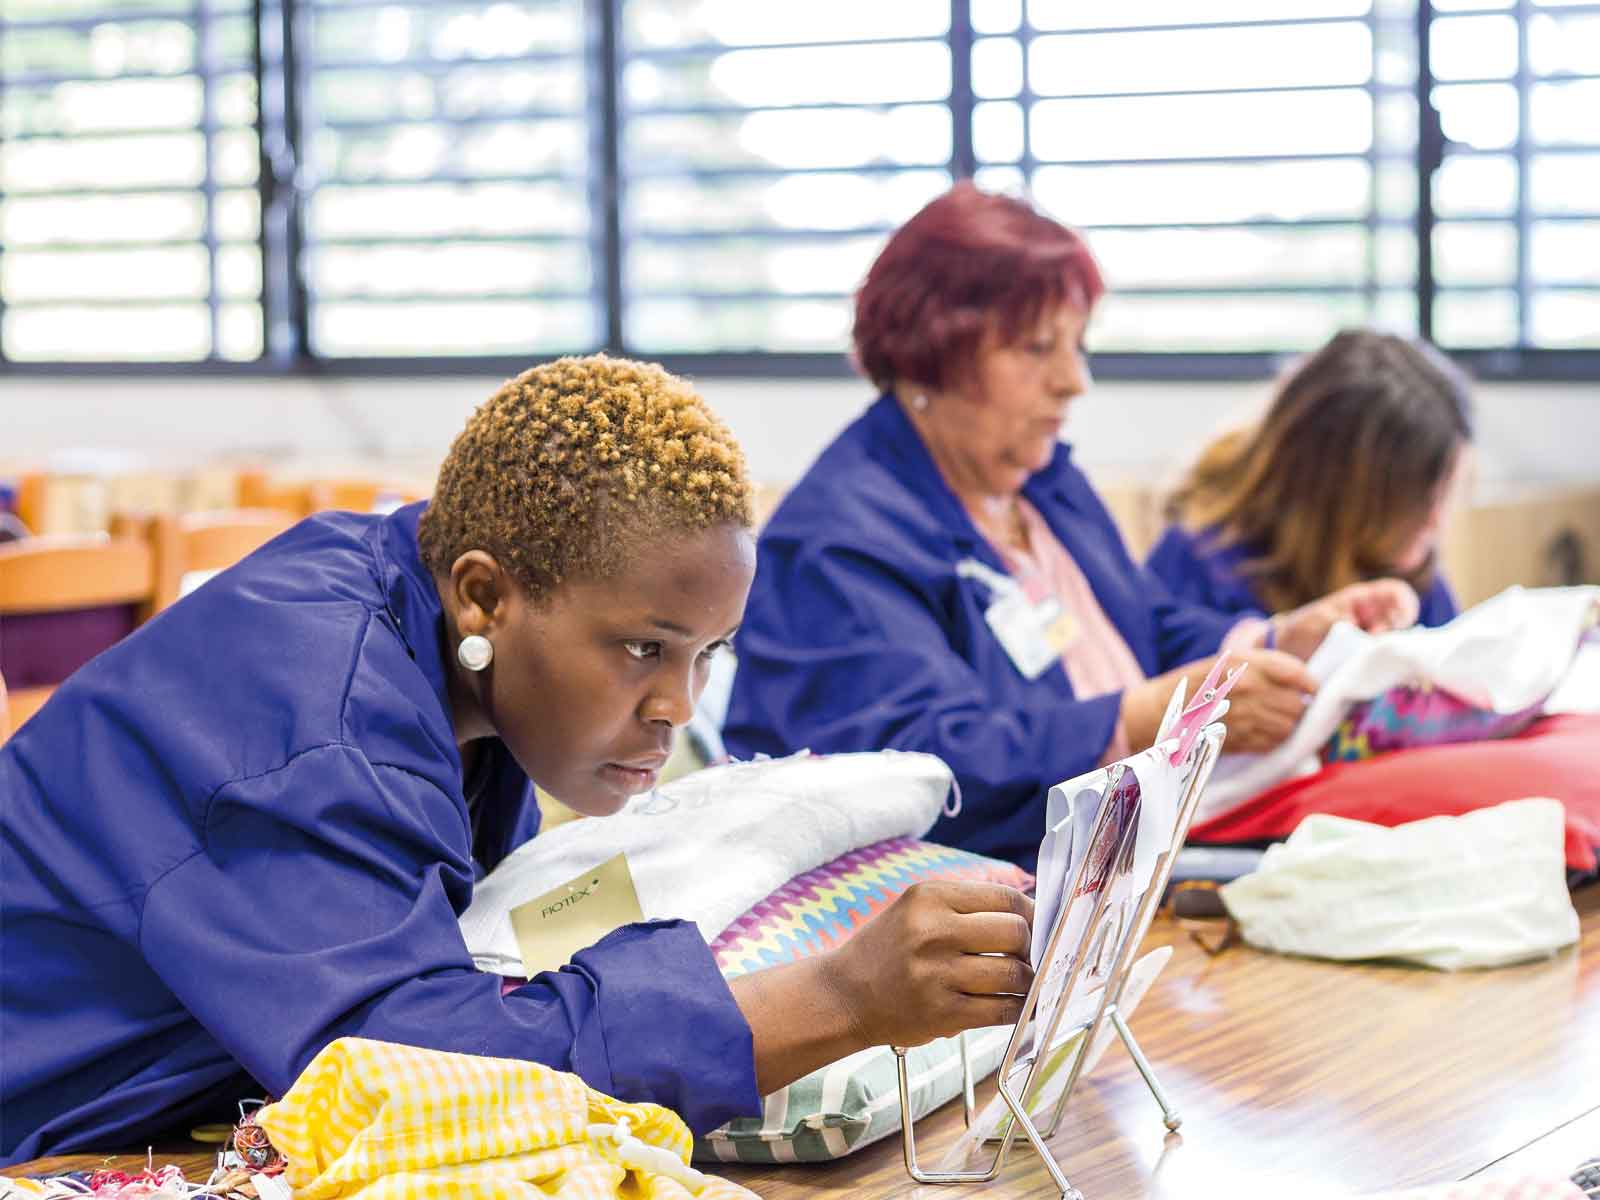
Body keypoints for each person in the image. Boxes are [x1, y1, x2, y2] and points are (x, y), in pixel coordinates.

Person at [0, 356, 1034, 1166]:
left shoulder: (438, 641)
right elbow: (407, 1074)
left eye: (708, 653)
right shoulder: (314, 720)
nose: (680, 705)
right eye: (643, 649)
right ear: (486, 595)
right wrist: (837, 998)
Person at [722, 183, 1418, 870]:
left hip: (1139, 843)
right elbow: (922, 766)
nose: (1073, 381)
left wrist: (1275, 639)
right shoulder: (836, 544)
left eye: (1077, 345)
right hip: (1000, 890)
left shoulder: (1042, 484)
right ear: (928, 352)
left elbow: (1142, 627)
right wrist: (1141, 719)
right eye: (1035, 348)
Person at [1147, 329, 1473, 628]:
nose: (1435, 523)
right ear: (1340, 492)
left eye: (1444, 497)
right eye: (1421, 501)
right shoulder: (1200, 566)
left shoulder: (1411, 575)